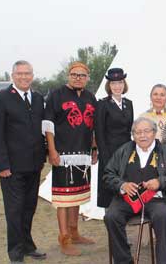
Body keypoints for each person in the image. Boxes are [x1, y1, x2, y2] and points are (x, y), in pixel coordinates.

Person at [0, 60, 47, 264]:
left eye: (27, 73)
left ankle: (28, 245)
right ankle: (15, 252)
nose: (24, 77)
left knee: (29, 208)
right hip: (11, 168)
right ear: (12, 76)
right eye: (20, 73)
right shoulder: (0, 99)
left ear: (32, 75)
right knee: (14, 210)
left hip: (34, 165)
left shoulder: (38, 98)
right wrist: (1, 165)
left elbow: (41, 129)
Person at [103, 117, 166, 264]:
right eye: (138, 132)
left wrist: (160, 182)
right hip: (127, 199)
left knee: (163, 216)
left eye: (146, 131)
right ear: (133, 135)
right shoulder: (124, 150)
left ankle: (163, 261)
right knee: (111, 217)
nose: (142, 135)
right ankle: (124, 261)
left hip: (156, 199)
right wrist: (122, 185)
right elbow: (108, 175)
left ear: (154, 133)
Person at [43, 61, 97, 256]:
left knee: (77, 195)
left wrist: (94, 147)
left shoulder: (91, 97)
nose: (78, 78)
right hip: (63, 154)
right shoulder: (56, 95)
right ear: (69, 75)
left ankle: (74, 232)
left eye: (82, 75)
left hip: (82, 155)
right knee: (64, 197)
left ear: (87, 78)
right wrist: (52, 150)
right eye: (75, 74)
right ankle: (64, 238)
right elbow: (48, 124)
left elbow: (92, 125)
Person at [95, 67, 134, 208]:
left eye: (120, 83)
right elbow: (99, 132)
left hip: (126, 151)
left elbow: (130, 130)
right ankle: (110, 219)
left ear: (124, 85)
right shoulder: (102, 104)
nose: (117, 86)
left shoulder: (129, 104)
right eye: (113, 83)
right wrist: (105, 157)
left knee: (125, 186)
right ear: (109, 86)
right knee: (109, 187)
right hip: (109, 152)